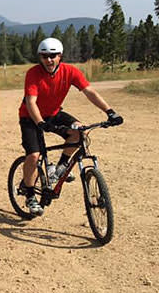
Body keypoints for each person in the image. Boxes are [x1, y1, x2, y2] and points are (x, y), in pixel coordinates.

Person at [19, 37, 124, 216]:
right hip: (31, 117)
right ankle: (29, 194)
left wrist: (110, 112)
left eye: (53, 56)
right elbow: (31, 102)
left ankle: (59, 169)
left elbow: (89, 91)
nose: (49, 60)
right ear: (40, 57)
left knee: (79, 132)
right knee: (34, 155)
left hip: (53, 113)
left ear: (60, 56)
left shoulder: (70, 71)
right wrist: (41, 124)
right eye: (44, 56)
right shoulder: (34, 73)